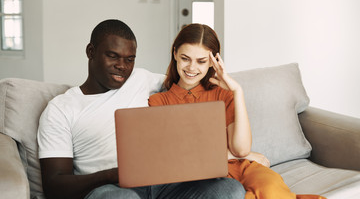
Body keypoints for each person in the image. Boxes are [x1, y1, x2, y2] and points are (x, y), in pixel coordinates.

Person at [37, 19, 246, 199]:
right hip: (110, 188)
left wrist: (236, 152)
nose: (122, 66)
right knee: (122, 197)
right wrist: (113, 174)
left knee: (230, 190)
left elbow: (189, 79)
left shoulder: (141, 79)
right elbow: (54, 186)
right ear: (91, 52)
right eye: (113, 56)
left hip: (165, 185)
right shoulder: (61, 109)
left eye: (129, 59)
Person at [148, 23, 326, 199]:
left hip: (244, 168)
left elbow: (240, 150)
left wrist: (237, 92)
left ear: (213, 61)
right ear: (175, 54)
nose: (192, 68)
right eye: (185, 58)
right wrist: (248, 154)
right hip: (211, 181)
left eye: (201, 61)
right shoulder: (159, 102)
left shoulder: (223, 94)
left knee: (273, 192)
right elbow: (179, 157)